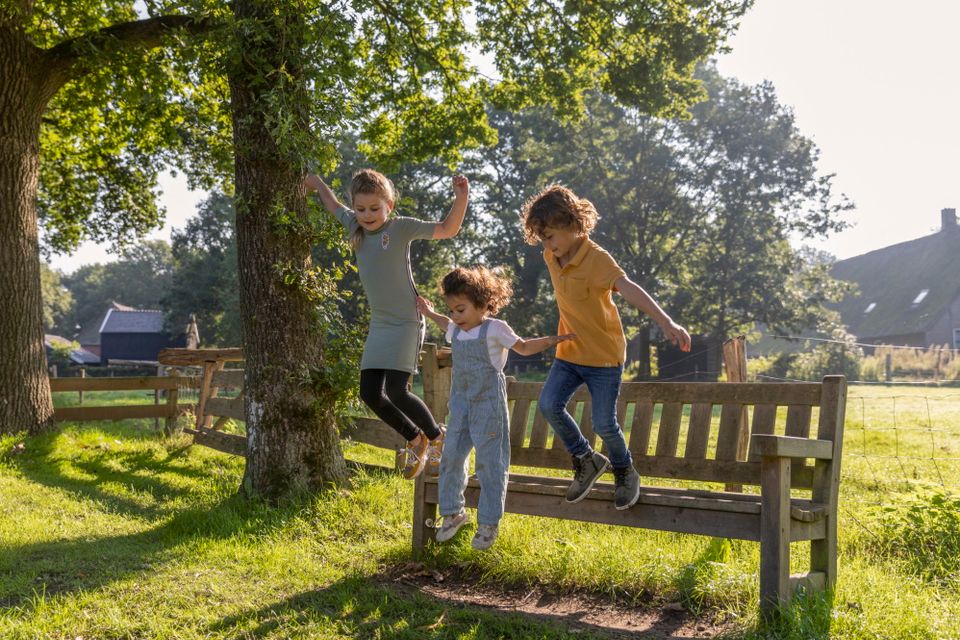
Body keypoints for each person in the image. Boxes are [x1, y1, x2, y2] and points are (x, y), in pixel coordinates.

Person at [520, 184, 691, 510]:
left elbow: (629, 289)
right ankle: (586, 458)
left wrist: (666, 322)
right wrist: (551, 244)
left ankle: (625, 470)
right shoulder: (551, 255)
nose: (547, 244)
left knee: (603, 423)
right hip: (569, 353)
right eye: (542, 238)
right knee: (549, 405)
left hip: (603, 357)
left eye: (552, 236)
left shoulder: (597, 259)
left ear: (573, 224)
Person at [304, 168, 469, 479]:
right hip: (380, 324)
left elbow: (448, 229)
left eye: (374, 208)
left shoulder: (401, 228)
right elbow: (331, 203)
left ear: (389, 206)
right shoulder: (354, 225)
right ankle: (415, 439)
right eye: (361, 208)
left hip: (407, 322)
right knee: (369, 392)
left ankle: (437, 437)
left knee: (397, 390)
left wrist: (461, 198)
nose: (367, 215)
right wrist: (315, 182)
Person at [417, 266, 575, 550]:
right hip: (461, 407)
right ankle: (453, 513)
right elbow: (443, 323)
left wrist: (552, 340)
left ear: (482, 304)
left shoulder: (495, 329)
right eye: (452, 310)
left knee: (490, 464)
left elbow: (524, 347)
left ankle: (489, 523)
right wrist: (428, 312)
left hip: (488, 406)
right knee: (451, 456)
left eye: (461, 309)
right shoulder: (456, 329)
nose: (455, 316)